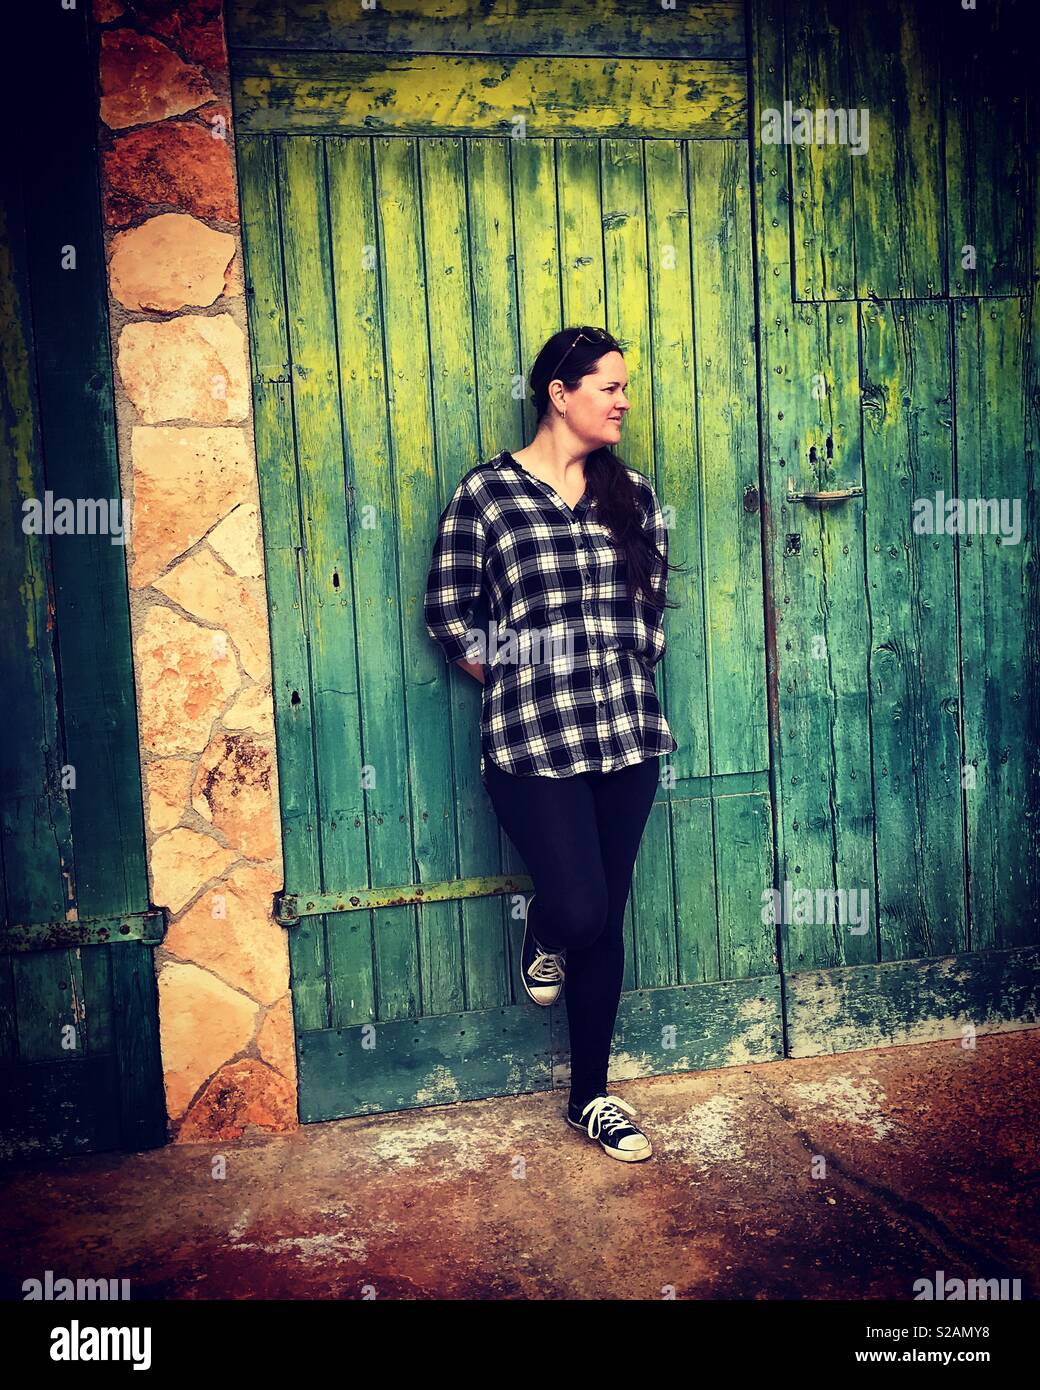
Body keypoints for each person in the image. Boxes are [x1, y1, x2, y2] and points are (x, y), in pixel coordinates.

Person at [423, 326, 682, 1161]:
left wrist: (623, 658)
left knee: (607, 921)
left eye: (625, 387)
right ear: (559, 394)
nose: (623, 401)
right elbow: (448, 614)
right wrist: (519, 671)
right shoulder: (488, 495)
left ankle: (590, 1098)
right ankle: (544, 931)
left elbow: (650, 612)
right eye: (610, 386)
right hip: (532, 741)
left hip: (627, 735)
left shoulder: (633, 495)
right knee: (577, 909)